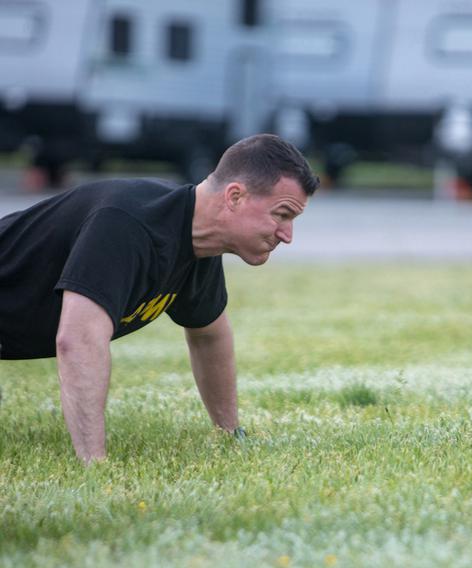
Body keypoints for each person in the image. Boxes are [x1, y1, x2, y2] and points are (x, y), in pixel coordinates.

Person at [0, 133, 319, 462]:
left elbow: (209, 337)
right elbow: (78, 340)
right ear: (235, 196)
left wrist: (231, 435)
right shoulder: (126, 223)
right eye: (281, 215)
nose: (287, 235)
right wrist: (95, 468)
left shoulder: (199, 242)